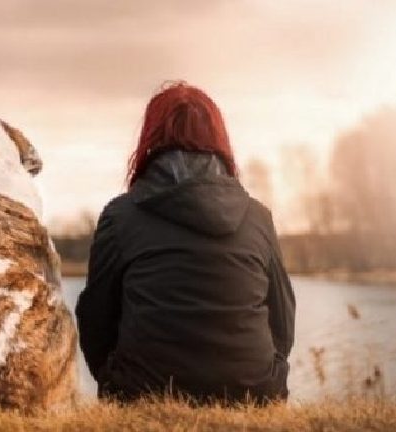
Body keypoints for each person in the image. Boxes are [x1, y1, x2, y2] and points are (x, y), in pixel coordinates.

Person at [75, 81, 295, 404]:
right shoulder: (257, 218)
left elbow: (95, 321)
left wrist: (115, 380)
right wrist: (261, 376)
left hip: (141, 394)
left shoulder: (120, 217)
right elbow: (283, 323)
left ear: (150, 140)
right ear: (219, 140)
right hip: (253, 394)